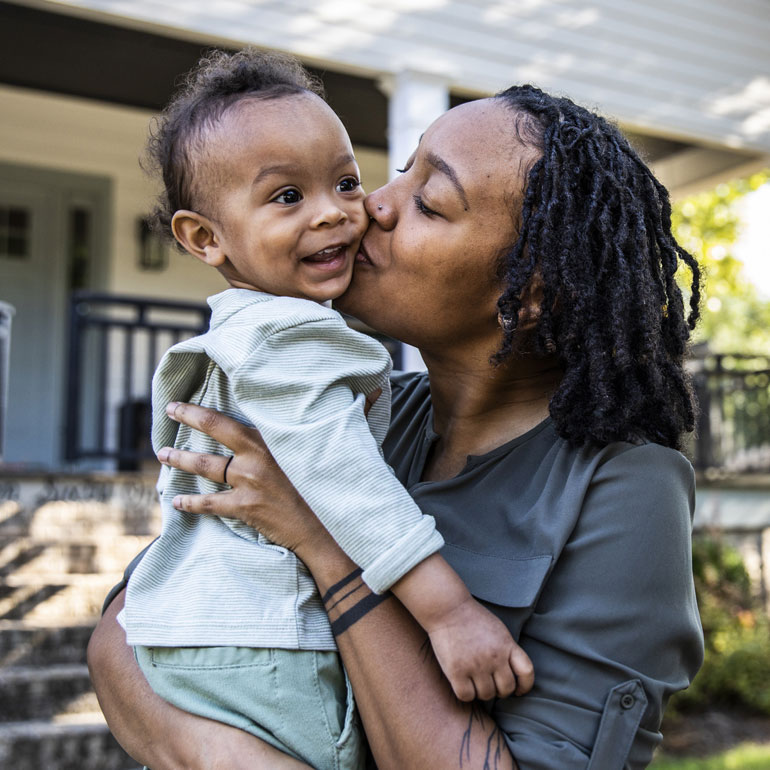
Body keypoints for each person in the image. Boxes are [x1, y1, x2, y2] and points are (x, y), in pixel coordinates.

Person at [89, 82, 705, 769]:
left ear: (529, 293)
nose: (371, 204)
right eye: (401, 168)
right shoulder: (355, 409)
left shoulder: (625, 487)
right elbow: (126, 628)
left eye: (429, 201)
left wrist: (327, 547)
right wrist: (218, 756)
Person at [117, 48, 533, 770]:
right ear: (204, 238)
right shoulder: (287, 334)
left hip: (201, 633)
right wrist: (450, 612)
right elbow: (346, 483)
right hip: (264, 641)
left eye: (344, 181)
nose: (338, 214)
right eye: (287, 198)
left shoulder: (245, 332)